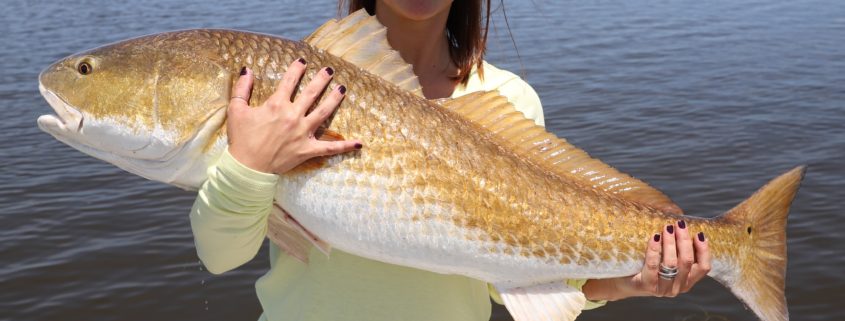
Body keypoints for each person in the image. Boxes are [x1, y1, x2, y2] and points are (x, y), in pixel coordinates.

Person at [189, 1, 712, 320]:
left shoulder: (507, 97)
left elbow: (512, 280)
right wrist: (249, 165)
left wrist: (630, 280)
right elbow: (221, 255)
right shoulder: (286, 86)